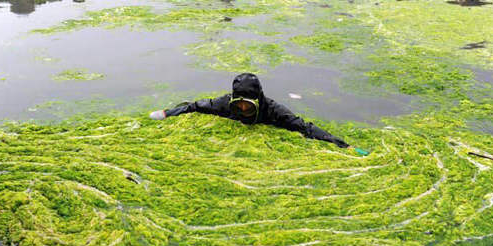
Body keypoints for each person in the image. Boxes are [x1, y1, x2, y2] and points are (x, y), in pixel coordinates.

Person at [149, 73, 368, 155]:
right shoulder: (225, 103)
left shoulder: (273, 110)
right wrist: (168, 113)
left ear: (257, 101)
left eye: (248, 105)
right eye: (239, 105)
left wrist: (343, 145)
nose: (243, 110)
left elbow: (305, 127)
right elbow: (195, 106)